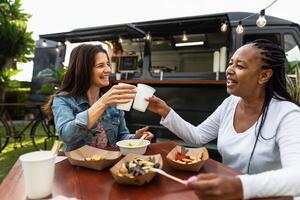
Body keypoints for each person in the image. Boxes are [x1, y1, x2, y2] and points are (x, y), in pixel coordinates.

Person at [146, 39, 300, 199]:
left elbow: (297, 178)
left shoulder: (288, 114)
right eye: (231, 63)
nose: (229, 70)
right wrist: (165, 111)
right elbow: (198, 136)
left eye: (239, 66)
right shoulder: (230, 104)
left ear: (264, 75)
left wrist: (240, 187)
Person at [44, 44, 153, 152]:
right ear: (84, 70)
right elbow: (67, 136)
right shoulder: (63, 100)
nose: (108, 70)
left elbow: (121, 136)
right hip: (78, 166)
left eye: (107, 64)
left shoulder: (113, 100)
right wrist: (102, 103)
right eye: (100, 66)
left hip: (107, 164)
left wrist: (134, 139)